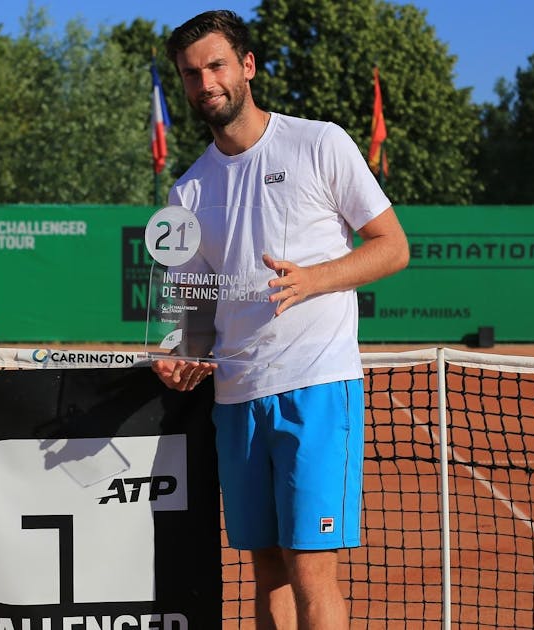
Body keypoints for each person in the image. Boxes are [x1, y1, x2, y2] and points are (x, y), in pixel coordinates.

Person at [151, 9, 409, 629]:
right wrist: (180, 352)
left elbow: (392, 246)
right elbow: (191, 309)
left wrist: (313, 278)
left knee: (310, 567)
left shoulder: (320, 142)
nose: (204, 82)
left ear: (247, 67)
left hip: (316, 389)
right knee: (265, 568)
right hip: (236, 400)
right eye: (191, 74)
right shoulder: (185, 191)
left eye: (215, 65)